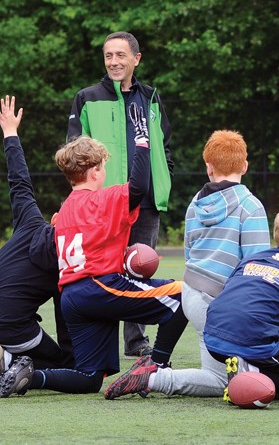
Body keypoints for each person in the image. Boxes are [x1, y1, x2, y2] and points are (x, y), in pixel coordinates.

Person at [0, 112, 186, 398]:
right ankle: (155, 365)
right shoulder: (99, 199)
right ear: (96, 171)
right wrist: (142, 141)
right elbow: (138, 187)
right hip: (96, 288)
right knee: (183, 297)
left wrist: (11, 134)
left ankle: (30, 376)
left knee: (88, 378)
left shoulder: (65, 212)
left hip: (73, 296)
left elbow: (20, 182)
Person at [104, 130, 271, 399]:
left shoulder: (196, 202)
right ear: (245, 165)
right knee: (220, 382)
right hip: (221, 305)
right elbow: (256, 270)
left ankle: (156, 367)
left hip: (191, 295)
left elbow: (190, 253)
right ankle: (153, 378)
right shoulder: (251, 206)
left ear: (208, 167)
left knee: (235, 372)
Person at [67, 30, 175, 358]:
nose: (114, 62)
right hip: (104, 203)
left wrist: (162, 177)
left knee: (139, 267)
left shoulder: (151, 98)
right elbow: (74, 151)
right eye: (108, 56)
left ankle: (135, 340)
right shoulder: (86, 98)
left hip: (145, 201)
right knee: (105, 269)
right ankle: (101, 345)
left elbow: (164, 144)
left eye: (120, 55)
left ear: (136, 59)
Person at [203, 206, 279, 402]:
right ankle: (247, 371)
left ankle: (243, 366)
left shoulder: (251, 260)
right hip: (251, 342)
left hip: (212, 339)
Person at [0, 96, 74, 378]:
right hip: (12, 327)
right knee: (65, 365)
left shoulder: (30, 220)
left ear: (54, 219)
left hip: (13, 320)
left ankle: (9, 355)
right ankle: (8, 362)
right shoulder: (68, 256)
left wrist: (10, 133)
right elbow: (66, 312)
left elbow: (19, 180)